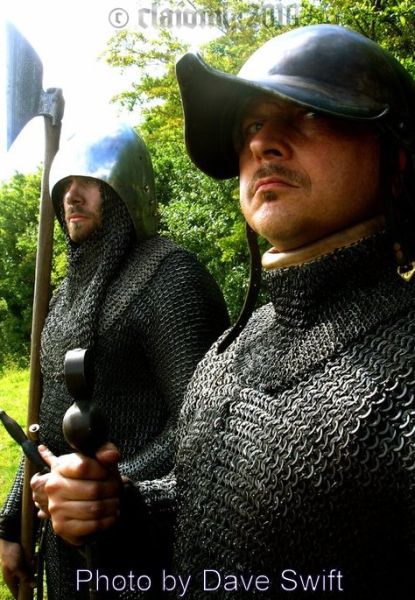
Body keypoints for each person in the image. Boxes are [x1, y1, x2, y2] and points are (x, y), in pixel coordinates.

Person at [29, 25, 415, 599]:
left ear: (397, 159)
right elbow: (202, 504)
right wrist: (121, 506)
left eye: (308, 115)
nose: (263, 144)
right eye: (252, 126)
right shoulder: (232, 351)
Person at [0, 123, 229, 599]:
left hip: (150, 546)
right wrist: (10, 522)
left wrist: (111, 493)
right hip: (68, 550)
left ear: (125, 189)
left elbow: (208, 427)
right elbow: (42, 426)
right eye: (63, 187)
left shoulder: (171, 277)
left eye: (89, 182)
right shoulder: (61, 300)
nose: (71, 197)